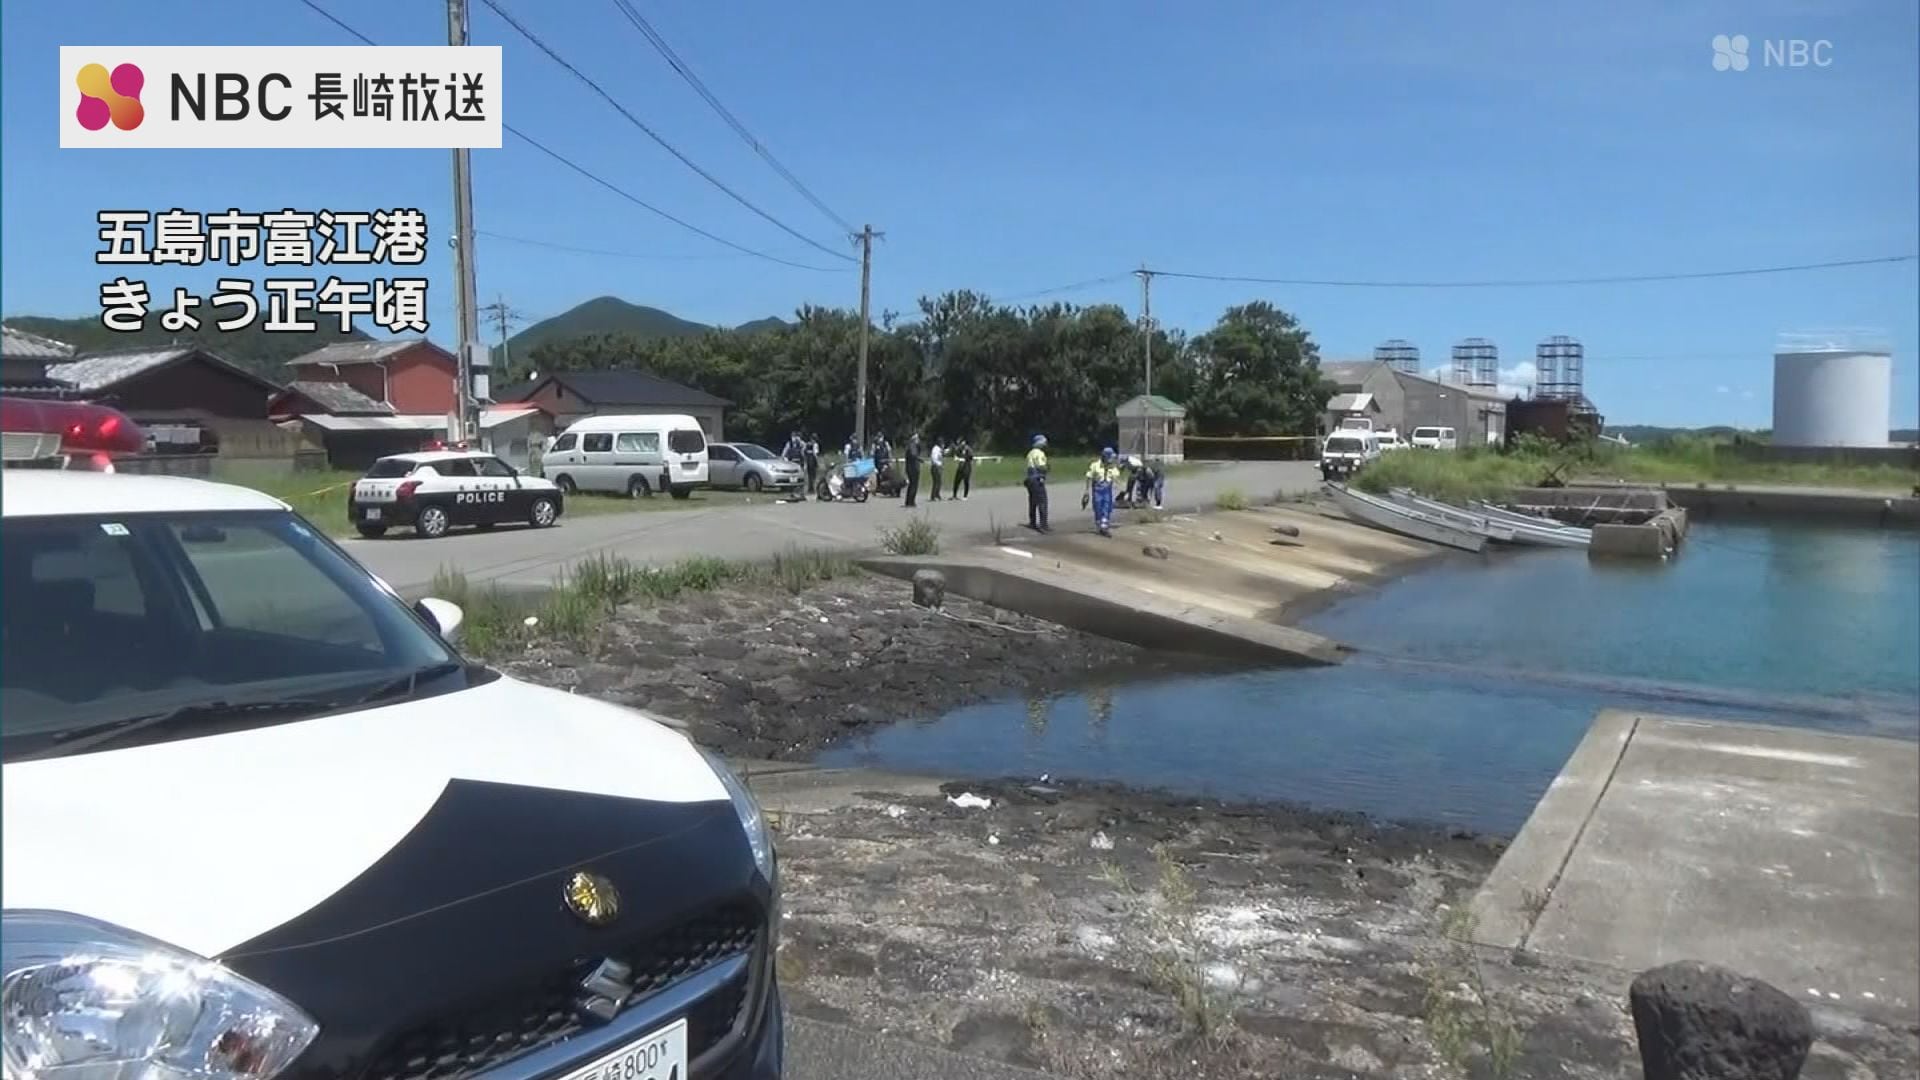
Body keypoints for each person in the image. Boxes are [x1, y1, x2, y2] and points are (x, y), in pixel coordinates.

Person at [1083, 447, 1122, 536]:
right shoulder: (1095, 466)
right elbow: (1089, 477)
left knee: (1107, 507)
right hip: (1097, 490)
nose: (1111, 460)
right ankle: (1099, 524)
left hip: (1107, 490)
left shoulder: (1112, 468)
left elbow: (1116, 478)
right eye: (1110, 457)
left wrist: (1119, 486)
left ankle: (1104, 526)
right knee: (1098, 507)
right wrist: (1086, 491)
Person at [1024, 434, 1050, 532]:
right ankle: (1043, 525)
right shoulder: (1039, 453)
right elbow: (1041, 466)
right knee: (1042, 501)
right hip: (1037, 479)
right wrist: (1047, 469)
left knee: (1032, 501)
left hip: (1030, 479)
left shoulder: (1030, 453)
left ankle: (1032, 522)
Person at [902, 434, 923, 507]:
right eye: (917, 438)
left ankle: (908, 501)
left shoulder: (912, 446)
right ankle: (911, 501)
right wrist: (919, 459)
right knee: (914, 485)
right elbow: (914, 455)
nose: (919, 440)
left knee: (912, 485)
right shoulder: (912, 446)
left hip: (911, 468)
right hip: (913, 468)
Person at [802, 434, 821, 500]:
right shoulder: (815, 445)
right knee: (814, 476)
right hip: (813, 461)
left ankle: (809, 489)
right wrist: (818, 462)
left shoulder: (807, 444)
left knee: (809, 476)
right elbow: (815, 454)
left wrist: (805, 459)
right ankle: (813, 489)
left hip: (808, 461)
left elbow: (803, 451)